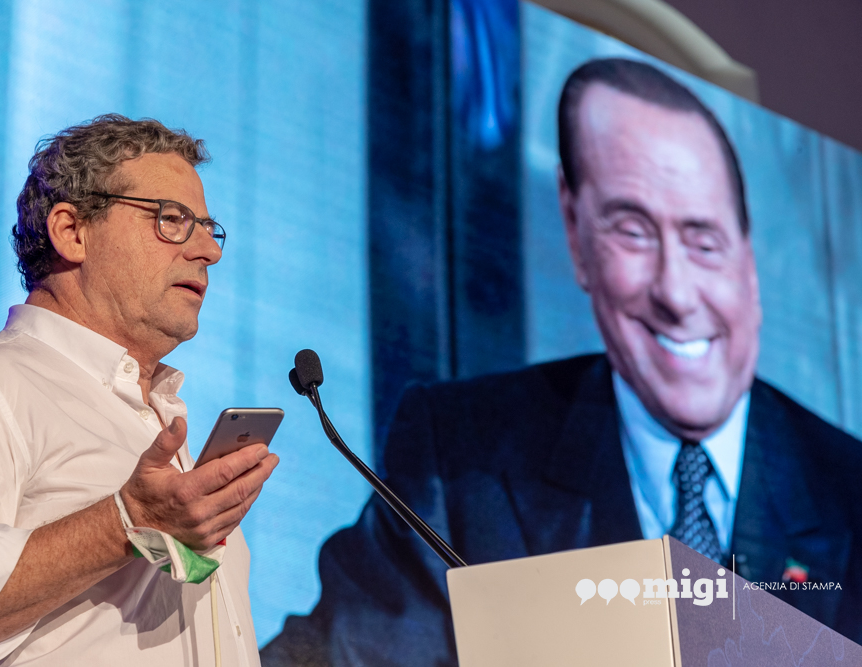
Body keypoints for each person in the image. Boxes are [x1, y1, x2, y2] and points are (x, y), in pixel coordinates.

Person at [260, 59, 862, 666]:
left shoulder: (852, 492)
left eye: (704, 242)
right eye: (633, 231)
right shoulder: (459, 456)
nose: (676, 294)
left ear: (749, 263)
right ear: (575, 234)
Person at [0, 114, 280, 666]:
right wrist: (125, 522)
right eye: (173, 220)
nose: (209, 250)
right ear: (72, 232)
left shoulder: (157, 417)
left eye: (207, 227)